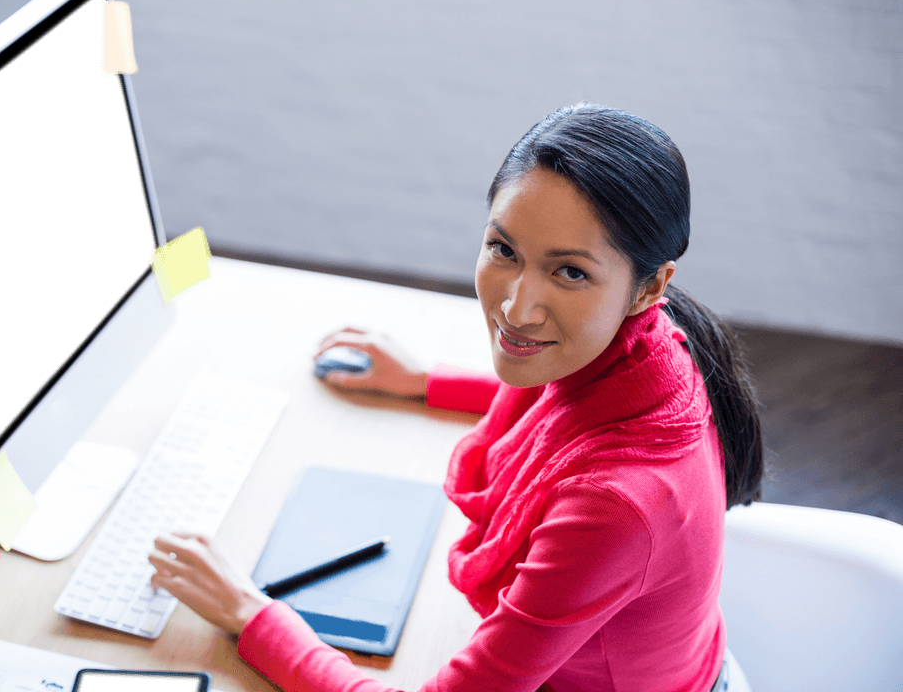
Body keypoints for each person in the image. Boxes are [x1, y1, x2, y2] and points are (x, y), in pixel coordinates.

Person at [147, 103, 764, 691]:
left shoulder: (615, 511)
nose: (516, 309)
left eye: (570, 271)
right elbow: (566, 408)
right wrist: (425, 382)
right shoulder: (659, 354)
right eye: (504, 250)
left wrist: (252, 614)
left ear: (649, 285)